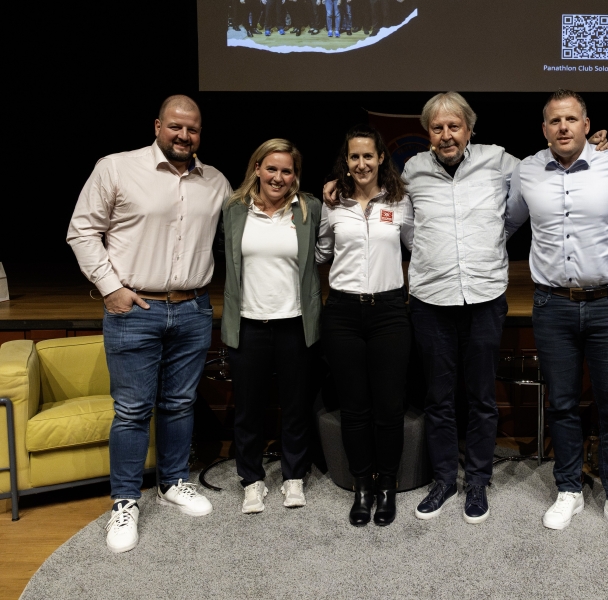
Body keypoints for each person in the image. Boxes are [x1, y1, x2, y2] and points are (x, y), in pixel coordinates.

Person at [322, 93, 608, 525]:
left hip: (484, 297)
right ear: (428, 133)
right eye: (437, 128)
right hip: (431, 300)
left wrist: (593, 149)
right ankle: (442, 480)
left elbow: (549, 163)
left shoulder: (500, 161)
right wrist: (336, 185)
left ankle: (476, 481)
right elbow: (375, 192)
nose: (446, 135)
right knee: (438, 399)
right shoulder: (412, 170)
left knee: (481, 398)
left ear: (469, 129)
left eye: (454, 126)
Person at [67, 95, 231, 553]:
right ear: (158, 126)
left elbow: (255, 212)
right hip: (135, 309)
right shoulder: (117, 168)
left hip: (193, 309)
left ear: (200, 133)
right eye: (176, 126)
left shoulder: (215, 181)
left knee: (179, 403)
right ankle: (125, 500)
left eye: (192, 129)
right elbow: (82, 230)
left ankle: (173, 481)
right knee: (133, 410)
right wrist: (110, 288)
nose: (184, 135)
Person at [505, 89, 608, 540]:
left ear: (587, 124)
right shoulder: (527, 171)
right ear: (544, 129)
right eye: (555, 121)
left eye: (571, 119)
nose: (563, 127)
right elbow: (505, 223)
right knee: (561, 403)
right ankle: (569, 489)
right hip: (552, 305)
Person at [316, 125, 414, 526]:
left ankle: (386, 485)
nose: (361, 164)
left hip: (389, 312)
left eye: (368, 156)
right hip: (343, 313)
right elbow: (322, 251)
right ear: (346, 160)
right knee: (354, 408)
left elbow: (416, 247)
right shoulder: (333, 202)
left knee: (389, 407)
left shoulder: (400, 201)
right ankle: (362, 487)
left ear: (380, 158)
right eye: (354, 156)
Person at [220, 139, 322, 515]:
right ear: (257, 168)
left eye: (287, 171)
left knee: (296, 407)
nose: (278, 177)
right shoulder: (234, 209)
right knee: (249, 409)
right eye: (272, 168)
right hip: (249, 324)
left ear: (295, 175)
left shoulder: (309, 209)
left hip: (295, 323)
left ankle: (294, 475)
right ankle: (252, 479)